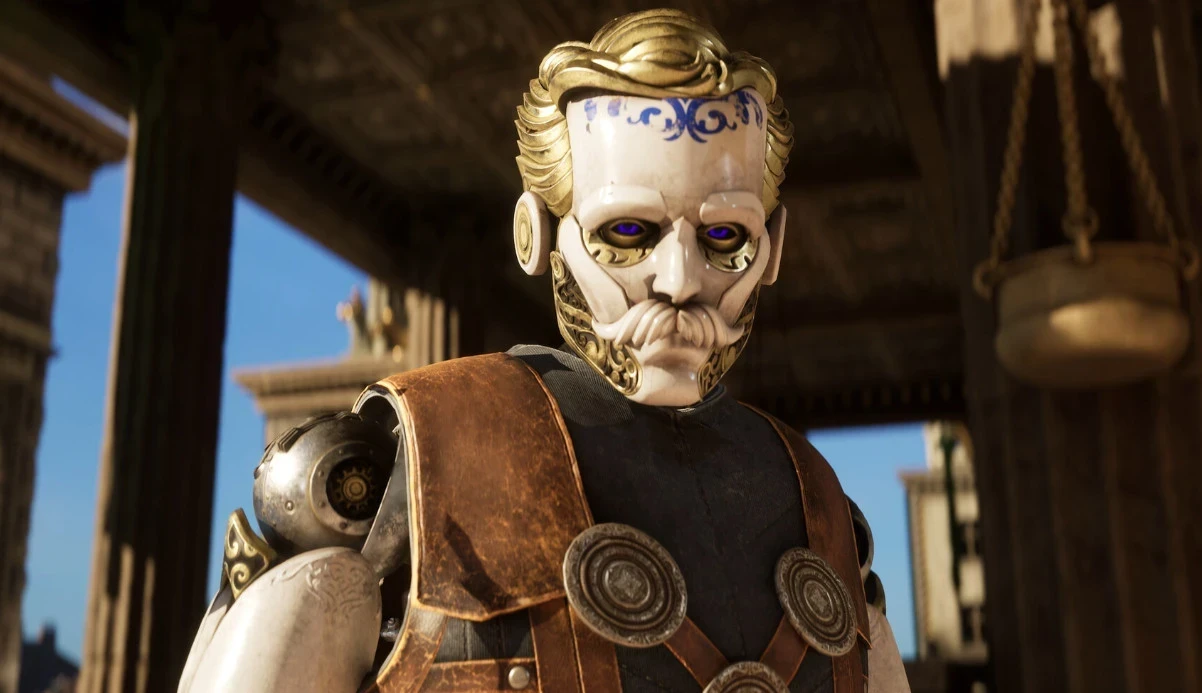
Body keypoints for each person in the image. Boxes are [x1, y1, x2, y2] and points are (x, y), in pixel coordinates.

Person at [177, 9, 911, 692]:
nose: (681, 280)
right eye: (628, 233)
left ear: (773, 247)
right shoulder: (418, 458)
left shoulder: (816, 503)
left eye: (725, 237)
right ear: (535, 232)